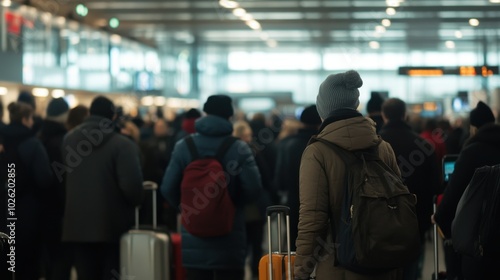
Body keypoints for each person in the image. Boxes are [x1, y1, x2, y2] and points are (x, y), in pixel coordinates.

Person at [294, 70, 403, 280]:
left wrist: (300, 271)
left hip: (339, 266)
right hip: (384, 263)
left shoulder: (317, 152)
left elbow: (313, 219)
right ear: (354, 105)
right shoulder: (383, 147)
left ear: (323, 108)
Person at [161, 95, 262, 280]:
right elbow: (254, 188)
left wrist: (188, 207)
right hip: (230, 236)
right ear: (230, 116)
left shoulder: (184, 146)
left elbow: (167, 187)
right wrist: (230, 204)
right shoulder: (239, 147)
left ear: (205, 113)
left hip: (194, 237)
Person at [60, 96, 144, 280]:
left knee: (85, 274)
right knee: (111, 271)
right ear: (113, 117)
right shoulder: (123, 145)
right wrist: (136, 203)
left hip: (77, 225)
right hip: (112, 225)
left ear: (90, 114)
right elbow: (131, 187)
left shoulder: (69, 139)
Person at [433, 101, 500, 279]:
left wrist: (440, 217)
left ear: (473, 127)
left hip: (480, 241)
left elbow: (454, 193)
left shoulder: (472, 151)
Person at [379, 98, 440, 280]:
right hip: (415, 219)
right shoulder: (424, 145)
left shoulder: (374, 144)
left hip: (380, 219)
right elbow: (435, 185)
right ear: (405, 115)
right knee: (412, 268)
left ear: (384, 115)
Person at [0, 102, 53, 280]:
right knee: (27, 264)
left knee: (6, 260)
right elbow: (44, 179)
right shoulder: (33, 144)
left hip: (3, 208)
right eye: (30, 119)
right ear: (25, 119)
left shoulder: (2, 139)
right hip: (27, 212)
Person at [274, 105, 321, 251]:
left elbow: (280, 179)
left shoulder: (288, 144)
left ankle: (294, 273)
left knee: (295, 245)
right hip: (321, 203)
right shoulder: (324, 144)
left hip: (294, 201)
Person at [233, 120, 274, 280]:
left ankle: (240, 272)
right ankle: (257, 273)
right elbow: (264, 177)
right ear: (243, 136)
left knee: (241, 244)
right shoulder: (253, 151)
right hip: (255, 205)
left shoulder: (230, 152)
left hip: (238, 206)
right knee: (256, 242)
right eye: (248, 135)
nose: (250, 138)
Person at [38, 98, 74, 280]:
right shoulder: (63, 141)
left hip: (38, 208)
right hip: (59, 209)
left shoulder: (39, 137)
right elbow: (64, 179)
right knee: (61, 259)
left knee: (46, 259)